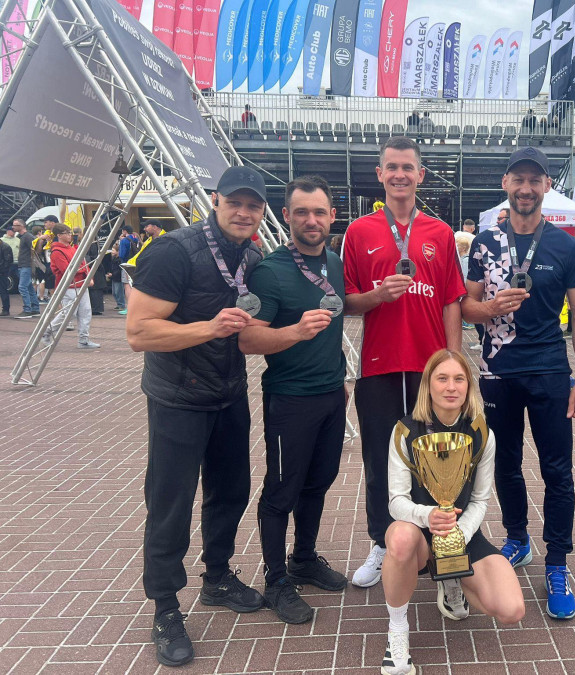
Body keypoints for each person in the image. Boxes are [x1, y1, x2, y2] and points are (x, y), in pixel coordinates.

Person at [125, 167, 268, 667]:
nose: (243, 212)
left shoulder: (252, 256)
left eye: (253, 205)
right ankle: (165, 607)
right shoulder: (174, 250)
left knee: (230, 491)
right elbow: (139, 331)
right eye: (235, 202)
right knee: (171, 503)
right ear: (215, 200)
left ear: (262, 211)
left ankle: (217, 578)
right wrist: (209, 328)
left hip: (229, 393)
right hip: (178, 399)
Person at [462, 146, 575, 619]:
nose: (525, 188)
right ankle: (517, 538)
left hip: (550, 373)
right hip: (496, 372)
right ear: (506, 184)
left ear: (546, 187)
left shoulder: (565, 246)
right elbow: (466, 306)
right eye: (518, 180)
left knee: (557, 471)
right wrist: (489, 309)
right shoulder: (484, 243)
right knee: (505, 464)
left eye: (534, 181)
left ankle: (557, 563)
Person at [342, 136, 466, 589]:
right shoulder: (359, 232)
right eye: (391, 167)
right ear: (380, 174)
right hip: (378, 366)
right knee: (380, 460)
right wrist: (377, 295)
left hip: (428, 368)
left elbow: (452, 300)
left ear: (420, 175)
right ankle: (382, 542)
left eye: (407, 167)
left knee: (439, 461)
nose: (399, 175)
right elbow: (347, 301)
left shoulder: (440, 233)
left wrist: (452, 362)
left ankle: (441, 547)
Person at [239, 175, 348, 625]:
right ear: (286, 216)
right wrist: (295, 332)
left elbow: (342, 309)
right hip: (290, 399)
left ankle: (303, 559)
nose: (311, 220)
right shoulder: (270, 271)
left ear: (332, 217)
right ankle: (276, 579)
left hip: (332, 395)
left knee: (318, 482)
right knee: (281, 490)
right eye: (301, 212)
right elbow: (247, 339)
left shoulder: (334, 263)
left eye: (319, 212)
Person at [381, 349, 525, 675]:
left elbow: (480, 501)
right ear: (428, 385)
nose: (451, 387)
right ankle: (398, 631)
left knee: (511, 609)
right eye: (442, 378)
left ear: (468, 386)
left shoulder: (482, 434)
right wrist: (427, 517)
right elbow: (396, 501)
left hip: (461, 530)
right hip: (417, 531)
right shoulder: (404, 431)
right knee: (400, 539)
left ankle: (451, 578)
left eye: (459, 379)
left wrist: (459, 533)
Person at [40, 224, 100, 349]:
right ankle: (47, 332)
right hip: (69, 286)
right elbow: (67, 269)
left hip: (79, 284)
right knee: (68, 314)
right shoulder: (57, 251)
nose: (70, 235)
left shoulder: (70, 248)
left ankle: (83, 340)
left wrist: (88, 275)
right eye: (66, 233)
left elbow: (82, 263)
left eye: (69, 232)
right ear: (59, 235)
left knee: (85, 312)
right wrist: (86, 273)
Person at [12, 218, 39, 318]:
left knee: (22, 287)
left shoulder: (27, 237)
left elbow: (34, 249)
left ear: (22, 226)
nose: (13, 227)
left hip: (26, 265)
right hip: (24, 265)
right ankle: (35, 308)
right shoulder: (24, 236)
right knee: (29, 287)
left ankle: (27, 309)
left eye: (15, 225)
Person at [0, 234, 12, 316]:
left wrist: (2, 271)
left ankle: (6, 309)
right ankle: (5, 309)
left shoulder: (5, 247)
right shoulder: (4, 246)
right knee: (3, 290)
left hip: (2, 272)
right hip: (2, 271)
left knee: (3, 290)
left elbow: (7, 262)